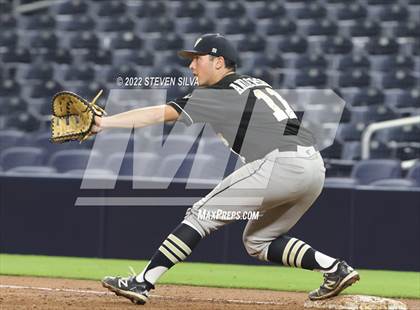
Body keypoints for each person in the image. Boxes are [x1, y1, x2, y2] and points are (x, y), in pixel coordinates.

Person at [97, 33, 359, 305]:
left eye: (197, 59)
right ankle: (334, 269)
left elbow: (157, 114)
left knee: (199, 216)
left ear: (219, 62)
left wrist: (103, 123)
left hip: (281, 163)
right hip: (313, 167)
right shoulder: (255, 84)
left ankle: (142, 282)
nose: (191, 66)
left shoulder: (218, 93)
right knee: (258, 241)